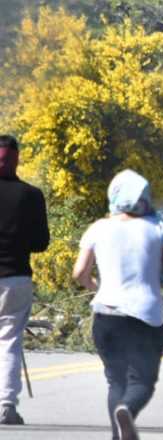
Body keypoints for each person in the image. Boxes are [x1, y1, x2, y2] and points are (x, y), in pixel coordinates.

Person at [72, 169, 163, 440]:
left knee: (116, 381)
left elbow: (79, 273)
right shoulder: (157, 227)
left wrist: (96, 287)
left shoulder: (98, 228)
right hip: (144, 317)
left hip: (105, 316)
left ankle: (119, 432)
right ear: (144, 197)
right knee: (143, 382)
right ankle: (127, 409)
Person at [0, 135, 49, 425]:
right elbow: (41, 242)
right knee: (8, 342)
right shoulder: (30, 195)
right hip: (15, 278)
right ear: (16, 158)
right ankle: (5, 406)